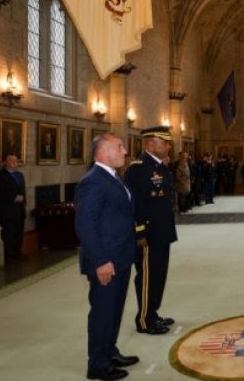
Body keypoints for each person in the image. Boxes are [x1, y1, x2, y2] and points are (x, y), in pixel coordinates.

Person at [75, 133, 139, 380]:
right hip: (106, 261)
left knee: (114, 310)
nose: (124, 151)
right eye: (120, 147)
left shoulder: (112, 176)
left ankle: (109, 351)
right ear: (103, 151)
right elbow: (85, 225)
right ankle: (98, 364)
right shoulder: (93, 181)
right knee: (102, 312)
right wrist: (101, 260)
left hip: (120, 257)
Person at [124, 126, 177, 335]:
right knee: (147, 276)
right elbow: (135, 204)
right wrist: (140, 233)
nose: (168, 146)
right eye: (165, 142)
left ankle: (153, 312)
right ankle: (144, 319)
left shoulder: (160, 167)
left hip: (162, 231)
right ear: (150, 143)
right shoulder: (138, 169)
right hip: (148, 234)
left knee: (159, 275)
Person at [0, 153, 26, 262]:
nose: (14, 163)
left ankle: (17, 253)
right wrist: (14, 198)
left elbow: (23, 191)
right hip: (7, 211)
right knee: (8, 234)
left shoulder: (20, 175)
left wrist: (22, 199)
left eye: (15, 161)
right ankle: (9, 256)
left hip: (19, 210)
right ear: (5, 162)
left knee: (18, 234)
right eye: (11, 161)